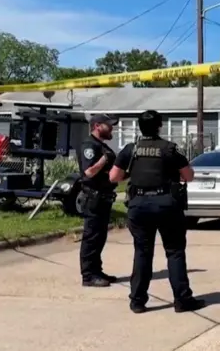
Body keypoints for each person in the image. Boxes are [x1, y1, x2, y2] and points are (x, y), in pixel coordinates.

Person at [109, 110, 205, 314]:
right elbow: (188, 176)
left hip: (139, 205)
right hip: (167, 204)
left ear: (139, 127)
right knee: (175, 252)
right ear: (160, 126)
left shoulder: (131, 149)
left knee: (142, 253)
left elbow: (113, 177)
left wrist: (133, 174)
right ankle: (182, 300)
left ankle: (137, 301)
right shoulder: (170, 149)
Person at [77, 114, 119, 287]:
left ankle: (96, 271)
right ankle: (88, 276)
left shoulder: (101, 146)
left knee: (99, 237)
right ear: (97, 126)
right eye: (108, 125)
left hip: (104, 197)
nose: (112, 128)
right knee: (91, 237)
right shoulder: (90, 145)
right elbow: (88, 172)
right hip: (93, 197)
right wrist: (104, 160)